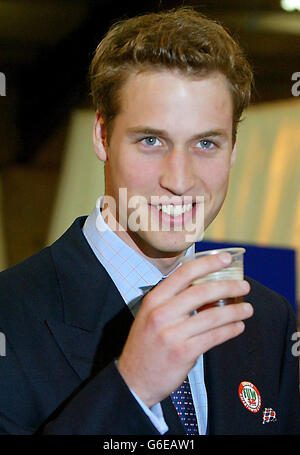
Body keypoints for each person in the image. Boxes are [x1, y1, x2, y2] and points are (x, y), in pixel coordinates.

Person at [0, 7, 299, 435]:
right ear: (102, 137)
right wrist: (132, 388)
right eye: (151, 140)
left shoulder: (267, 320)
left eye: (206, 143)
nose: (179, 181)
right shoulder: (9, 316)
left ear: (233, 149)